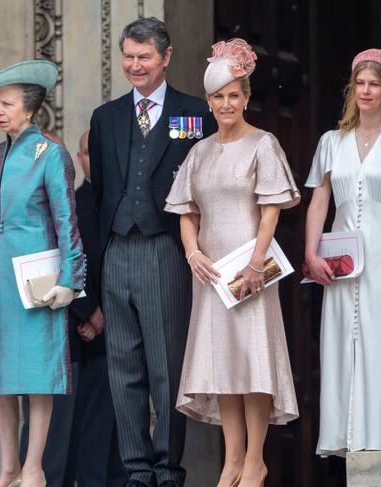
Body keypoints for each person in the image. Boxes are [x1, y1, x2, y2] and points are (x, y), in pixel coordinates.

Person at [165, 38, 300, 487]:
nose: (226, 103)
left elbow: (271, 209)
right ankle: (233, 461)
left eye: (234, 94)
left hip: (250, 270)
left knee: (253, 359)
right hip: (213, 272)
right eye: (218, 96)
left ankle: (256, 460)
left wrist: (257, 262)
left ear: (245, 97)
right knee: (223, 363)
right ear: (209, 101)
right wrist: (193, 253)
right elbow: (186, 212)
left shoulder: (263, 144)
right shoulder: (199, 151)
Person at [88, 16, 216, 487]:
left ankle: (167, 470)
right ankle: (136, 470)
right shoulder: (106, 117)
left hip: (166, 248)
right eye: (128, 56)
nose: (135, 65)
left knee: (166, 368)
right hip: (117, 251)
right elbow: (102, 191)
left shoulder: (194, 114)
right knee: (123, 369)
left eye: (144, 56)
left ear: (165, 57)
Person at [0, 60, 85, 487]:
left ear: (30, 109)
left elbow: (67, 221)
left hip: (37, 277)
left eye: (6, 103)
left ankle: (34, 467)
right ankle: (8, 465)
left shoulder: (51, 154)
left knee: (37, 373)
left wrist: (71, 279)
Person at [304, 48, 381, 456]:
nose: (366, 91)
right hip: (341, 264)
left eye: (374, 84)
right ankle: (350, 441)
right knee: (344, 345)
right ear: (352, 88)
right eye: (360, 84)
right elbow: (318, 202)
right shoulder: (332, 142)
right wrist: (311, 255)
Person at [19, 130, 127, 487]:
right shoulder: (42, 205)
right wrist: (88, 312)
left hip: (104, 333)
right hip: (61, 333)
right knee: (56, 441)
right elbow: (60, 261)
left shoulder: (116, 200)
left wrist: (104, 315)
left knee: (103, 436)